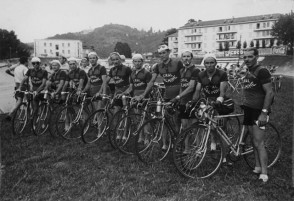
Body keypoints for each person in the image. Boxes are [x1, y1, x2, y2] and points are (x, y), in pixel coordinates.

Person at [138, 44, 184, 149]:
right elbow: (151, 81)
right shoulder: (158, 66)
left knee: (176, 120)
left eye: (164, 53)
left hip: (177, 95)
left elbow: (183, 80)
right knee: (165, 119)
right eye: (160, 54)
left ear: (168, 52)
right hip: (167, 95)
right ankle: (164, 144)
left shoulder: (177, 63)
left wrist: (180, 96)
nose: (162, 55)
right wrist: (143, 94)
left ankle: (177, 142)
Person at [241, 47, 274, 183]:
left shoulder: (262, 71)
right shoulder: (249, 70)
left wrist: (264, 113)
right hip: (248, 109)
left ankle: (265, 173)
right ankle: (258, 167)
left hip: (258, 111)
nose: (247, 59)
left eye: (250, 56)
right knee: (253, 141)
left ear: (256, 56)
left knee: (259, 142)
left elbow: (270, 93)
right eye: (245, 57)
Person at [193, 53, 233, 163]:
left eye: (211, 62)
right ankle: (213, 145)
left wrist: (219, 100)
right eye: (207, 63)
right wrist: (193, 101)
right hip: (208, 102)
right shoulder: (201, 75)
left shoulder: (222, 73)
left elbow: (222, 91)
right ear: (204, 64)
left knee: (220, 128)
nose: (209, 65)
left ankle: (224, 155)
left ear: (215, 63)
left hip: (221, 102)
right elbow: (197, 90)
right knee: (209, 124)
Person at [118, 54, 152, 141]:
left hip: (144, 98)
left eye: (139, 61)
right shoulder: (132, 73)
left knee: (145, 118)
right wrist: (124, 93)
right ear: (133, 62)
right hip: (135, 97)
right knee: (137, 118)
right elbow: (131, 87)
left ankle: (147, 138)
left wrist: (142, 95)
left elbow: (149, 86)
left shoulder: (147, 73)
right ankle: (140, 136)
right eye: (135, 61)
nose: (137, 63)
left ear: (142, 62)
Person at [170, 50, 200, 130]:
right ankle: (186, 143)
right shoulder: (181, 70)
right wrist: (179, 100)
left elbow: (191, 87)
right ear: (181, 58)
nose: (186, 58)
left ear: (191, 58)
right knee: (184, 126)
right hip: (183, 101)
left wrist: (178, 97)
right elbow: (182, 86)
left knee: (194, 126)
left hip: (192, 101)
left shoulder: (195, 70)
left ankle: (197, 143)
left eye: (188, 56)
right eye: (184, 56)